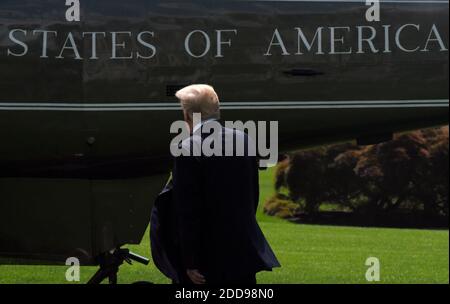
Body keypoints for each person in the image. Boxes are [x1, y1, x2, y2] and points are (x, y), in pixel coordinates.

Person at [170, 84, 280, 285]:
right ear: (217, 110)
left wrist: (190, 261)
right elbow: (251, 196)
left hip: (207, 261)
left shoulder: (187, 147)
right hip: (242, 253)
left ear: (187, 115)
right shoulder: (244, 140)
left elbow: (188, 211)